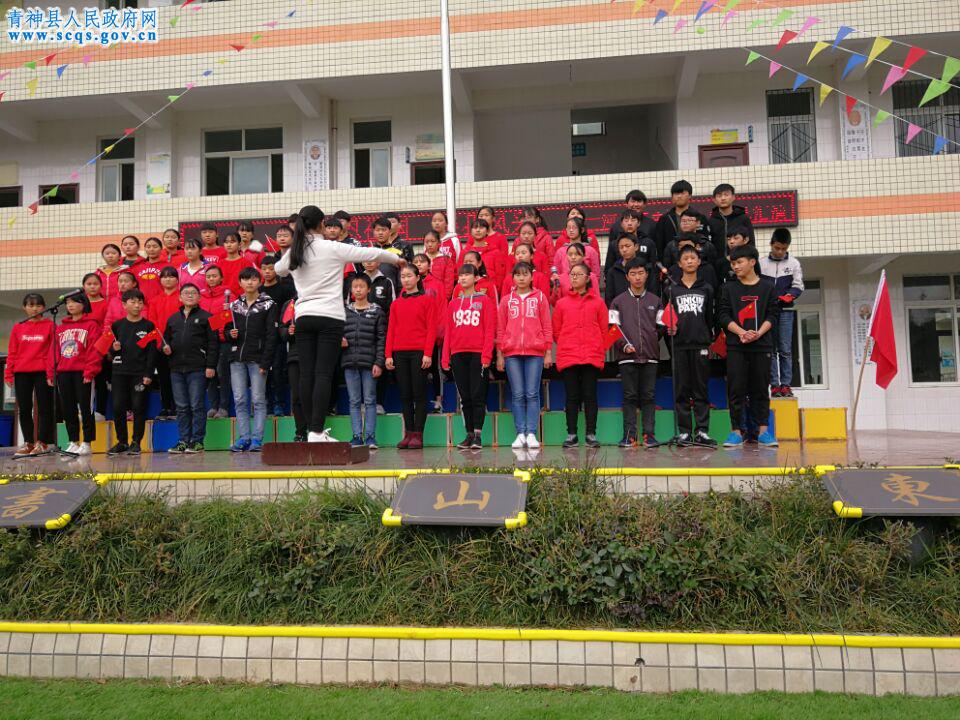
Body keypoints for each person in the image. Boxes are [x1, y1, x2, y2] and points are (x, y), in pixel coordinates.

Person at [275, 205, 402, 442]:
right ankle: (316, 431)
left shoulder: (295, 250)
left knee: (306, 375)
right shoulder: (332, 247)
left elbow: (278, 270)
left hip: (304, 316)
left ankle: (308, 430)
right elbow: (369, 253)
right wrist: (396, 259)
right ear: (322, 224)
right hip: (330, 318)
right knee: (323, 374)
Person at [718, 244, 780, 448]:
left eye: (739, 262)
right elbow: (723, 315)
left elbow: (773, 315)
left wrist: (758, 333)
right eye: (733, 263)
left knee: (760, 389)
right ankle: (736, 432)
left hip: (762, 346)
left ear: (752, 262)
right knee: (736, 389)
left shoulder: (768, 287)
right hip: (736, 346)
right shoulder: (728, 288)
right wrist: (741, 333)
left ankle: (763, 432)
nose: (735, 266)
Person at [663, 245, 717, 448]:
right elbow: (666, 317)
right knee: (682, 390)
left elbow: (710, 318)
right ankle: (685, 431)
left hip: (700, 344)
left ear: (699, 261)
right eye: (685, 258)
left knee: (701, 389)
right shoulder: (671, 289)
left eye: (693, 257)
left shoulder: (707, 288)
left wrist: (707, 337)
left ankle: (702, 431)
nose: (689, 261)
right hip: (679, 346)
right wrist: (669, 329)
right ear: (679, 263)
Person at [496, 261, 553, 449]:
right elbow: (500, 329)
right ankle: (520, 433)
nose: (521, 278)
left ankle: (532, 433)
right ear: (513, 278)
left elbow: (547, 326)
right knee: (518, 394)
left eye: (525, 274)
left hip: (535, 352)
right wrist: (500, 355)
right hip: (511, 353)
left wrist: (548, 352)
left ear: (531, 276)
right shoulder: (506, 300)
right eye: (518, 274)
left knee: (532, 393)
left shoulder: (540, 298)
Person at [552, 263, 608, 448]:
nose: (574, 277)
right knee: (572, 396)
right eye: (572, 274)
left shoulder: (598, 303)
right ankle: (572, 434)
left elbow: (604, 330)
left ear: (588, 278)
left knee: (590, 395)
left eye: (578, 274)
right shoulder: (562, 303)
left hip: (591, 354)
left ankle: (591, 434)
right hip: (569, 355)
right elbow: (556, 331)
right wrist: (567, 343)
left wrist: (597, 347)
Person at [443, 265, 497, 450]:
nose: (463, 278)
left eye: (467, 274)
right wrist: (445, 356)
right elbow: (449, 331)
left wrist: (487, 355)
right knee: (465, 397)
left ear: (476, 278)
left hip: (478, 353)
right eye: (461, 275)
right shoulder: (453, 304)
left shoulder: (485, 301)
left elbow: (489, 330)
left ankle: (478, 436)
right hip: (458, 353)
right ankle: (469, 435)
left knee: (477, 396)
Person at [226, 267, 279, 453]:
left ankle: (257, 439)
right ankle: (244, 438)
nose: (249, 282)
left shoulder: (268, 304)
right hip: (236, 359)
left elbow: (272, 335)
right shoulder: (234, 305)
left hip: (258, 359)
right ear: (239, 282)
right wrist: (230, 334)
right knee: (240, 399)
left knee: (258, 399)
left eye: (253, 279)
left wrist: (266, 362)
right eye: (245, 279)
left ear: (260, 281)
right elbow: (225, 330)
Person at [385, 264, 437, 450]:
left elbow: (431, 329)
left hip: (419, 353)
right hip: (399, 352)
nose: (405, 279)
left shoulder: (427, 300)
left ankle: (418, 434)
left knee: (419, 394)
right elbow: (391, 329)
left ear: (417, 278)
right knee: (405, 395)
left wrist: (428, 353)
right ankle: (408, 433)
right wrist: (388, 354)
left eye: (409, 276)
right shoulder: (396, 304)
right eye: (403, 276)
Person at [609, 261, 661, 448]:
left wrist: (652, 339)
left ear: (646, 274)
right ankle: (629, 436)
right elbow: (612, 328)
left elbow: (661, 327)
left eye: (640, 273)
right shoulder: (617, 302)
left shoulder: (656, 301)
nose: (637, 277)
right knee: (629, 397)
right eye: (633, 273)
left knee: (648, 396)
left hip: (650, 356)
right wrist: (624, 346)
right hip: (627, 358)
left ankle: (649, 435)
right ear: (627, 277)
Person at [163, 283, 218, 454]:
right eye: (186, 293)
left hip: (198, 369)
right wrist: (165, 348)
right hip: (176, 369)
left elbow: (214, 344)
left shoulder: (208, 317)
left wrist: (210, 365)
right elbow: (165, 341)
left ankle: (197, 441)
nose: (190, 295)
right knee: (181, 407)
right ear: (180, 297)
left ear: (199, 297)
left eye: (193, 293)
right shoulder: (172, 319)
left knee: (196, 405)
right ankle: (183, 441)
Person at [107, 289, 158, 456]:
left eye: (140, 302)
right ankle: (122, 442)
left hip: (139, 373)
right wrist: (113, 349)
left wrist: (148, 374)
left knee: (138, 407)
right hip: (119, 373)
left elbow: (152, 352)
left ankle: (136, 442)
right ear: (124, 304)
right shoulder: (117, 326)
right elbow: (109, 351)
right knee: (118, 407)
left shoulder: (148, 326)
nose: (137, 305)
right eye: (133, 302)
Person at [6, 293, 55, 457]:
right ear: (24, 307)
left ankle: (42, 442)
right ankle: (28, 442)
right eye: (31, 305)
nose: (35, 309)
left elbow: (53, 351)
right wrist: (8, 374)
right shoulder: (18, 327)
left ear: (44, 307)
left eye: (38, 305)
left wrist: (50, 373)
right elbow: (12, 351)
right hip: (22, 372)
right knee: (25, 409)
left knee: (45, 408)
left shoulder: (50, 325)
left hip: (42, 372)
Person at [342, 274, 387, 448]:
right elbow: (336, 332)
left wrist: (379, 362)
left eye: (361, 286)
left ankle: (370, 437)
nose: (358, 290)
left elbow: (381, 339)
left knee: (369, 400)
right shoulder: (345, 311)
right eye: (355, 287)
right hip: (350, 362)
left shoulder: (377, 311)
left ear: (369, 289)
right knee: (354, 401)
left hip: (370, 363)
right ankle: (356, 436)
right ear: (351, 290)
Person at [53, 292, 101, 455]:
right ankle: (73, 441)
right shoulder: (61, 327)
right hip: (64, 372)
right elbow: (54, 351)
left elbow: (95, 350)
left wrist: (90, 371)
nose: (70, 305)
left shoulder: (91, 325)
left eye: (74, 302)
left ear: (83, 304)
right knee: (68, 408)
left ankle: (87, 442)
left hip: (82, 372)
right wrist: (51, 372)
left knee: (86, 408)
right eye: (68, 303)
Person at [760, 228, 804, 398]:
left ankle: (786, 385)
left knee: (785, 349)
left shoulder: (794, 263)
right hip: (768, 313)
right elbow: (757, 285)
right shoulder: (761, 263)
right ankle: (774, 385)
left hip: (786, 311)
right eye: (777, 248)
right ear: (771, 244)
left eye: (783, 249)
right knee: (770, 349)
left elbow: (798, 285)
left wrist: (789, 296)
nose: (779, 252)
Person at [261, 256, 295, 416]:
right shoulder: (259, 291)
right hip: (262, 337)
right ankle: (265, 404)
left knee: (278, 372)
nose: (267, 272)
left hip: (280, 337)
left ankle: (279, 404)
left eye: (271, 268)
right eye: (264, 268)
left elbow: (289, 311)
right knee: (263, 372)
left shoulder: (285, 289)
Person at [148, 266, 183, 420]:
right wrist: (160, 344)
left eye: (171, 276)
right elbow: (152, 323)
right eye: (164, 276)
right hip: (160, 345)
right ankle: (166, 407)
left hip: (178, 345)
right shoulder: (154, 300)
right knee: (163, 378)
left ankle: (178, 407)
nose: (168, 279)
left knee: (177, 378)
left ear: (177, 279)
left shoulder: (182, 298)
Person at [199, 265, 232, 419]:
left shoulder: (229, 295)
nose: (211, 279)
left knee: (223, 373)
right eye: (208, 276)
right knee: (209, 374)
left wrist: (228, 311)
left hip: (222, 339)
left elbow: (231, 317)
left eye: (214, 276)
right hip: (206, 341)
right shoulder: (201, 296)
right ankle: (213, 406)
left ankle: (224, 407)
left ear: (221, 278)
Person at [605, 190, 656, 272]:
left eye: (639, 201)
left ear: (644, 204)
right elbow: (611, 255)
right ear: (626, 204)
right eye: (633, 201)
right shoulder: (616, 226)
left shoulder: (652, 225)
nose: (635, 204)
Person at [653, 180, 708, 257]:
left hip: (695, 259)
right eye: (676, 194)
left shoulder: (700, 217)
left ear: (690, 195)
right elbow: (660, 244)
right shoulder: (664, 219)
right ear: (672, 197)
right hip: (672, 260)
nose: (679, 196)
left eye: (682, 193)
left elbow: (705, 241)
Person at [278, 298, 307, 441]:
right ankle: (300, 432)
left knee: (311, 394)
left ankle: (315, 430)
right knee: (296, 396)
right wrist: (288, 332)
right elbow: (281, 329)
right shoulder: (290, 303)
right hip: (294, 356)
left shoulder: (317, 300)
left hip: (314, 356)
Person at [708, 183, 755, 255]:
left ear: (733, 197)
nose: (723, 198)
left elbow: (751, 243)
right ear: (714, 200)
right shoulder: (711, 221)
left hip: (739, 260)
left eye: (726, 195)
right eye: (719, 196)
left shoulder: (743, 218)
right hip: (718, 261)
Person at [462, 218, 508, 291]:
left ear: (487, 231)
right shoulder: (465, 252)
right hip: (468, 292)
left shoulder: (495, 252)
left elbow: (500, 276)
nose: (478, 230)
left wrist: (496, 291)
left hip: (490, 292)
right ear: (471, 232)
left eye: (481, 227)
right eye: (475, 227)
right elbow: (460, 273)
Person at [134, 237, 171, 302]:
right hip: (142, 304)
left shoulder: (167, 266)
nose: (151, 249)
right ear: (145, 249)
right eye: (148, 247)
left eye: (155, 247)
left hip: (161, 302)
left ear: (161, 249)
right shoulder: (138, 267)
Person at [423, 229, 456, 298]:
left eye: (433, 241)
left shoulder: (446, 260)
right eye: (427, 242)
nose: (429, 244)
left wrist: (446, 297)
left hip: (441, 297)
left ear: (439, 243)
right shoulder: (420, 260)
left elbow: (449, 282)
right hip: (423, 297)